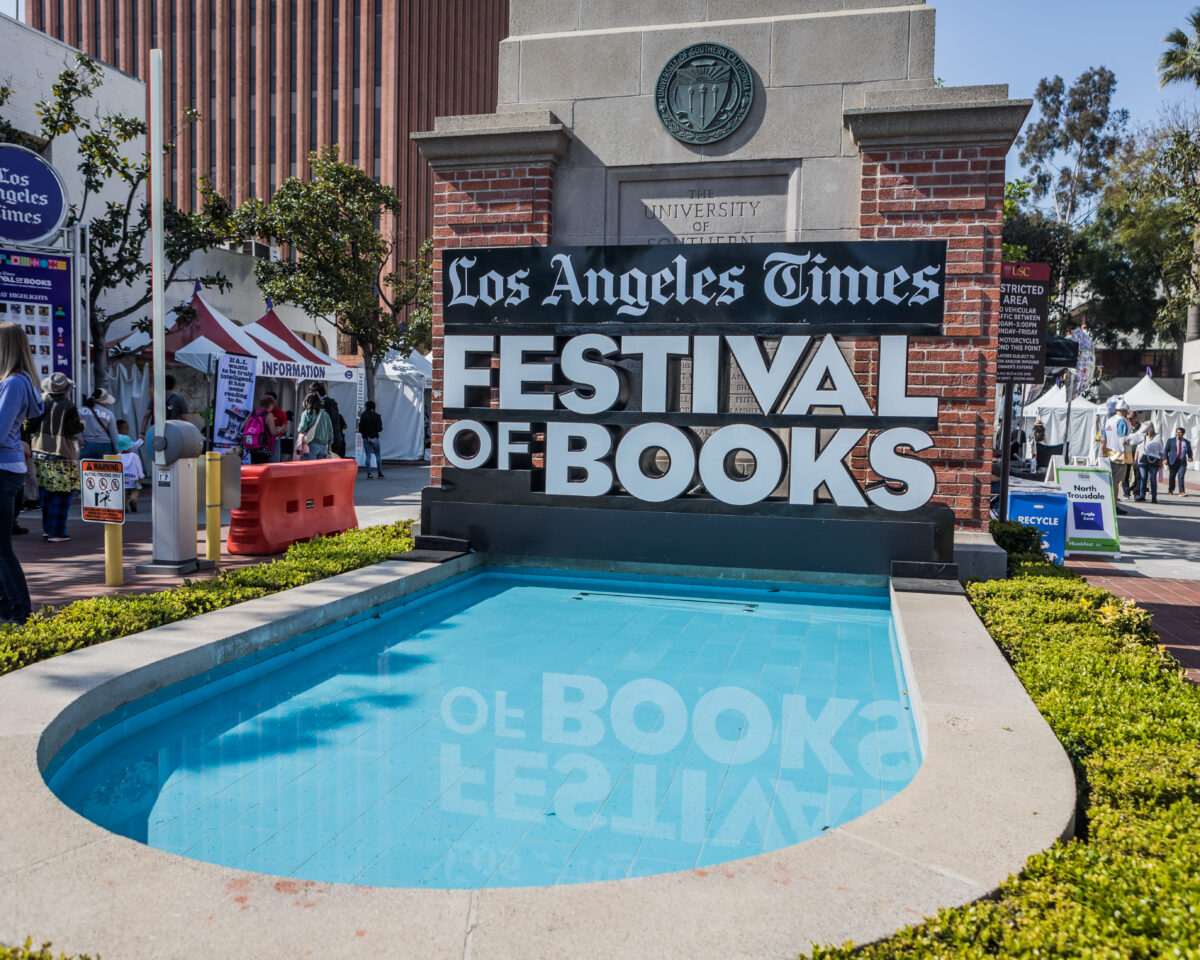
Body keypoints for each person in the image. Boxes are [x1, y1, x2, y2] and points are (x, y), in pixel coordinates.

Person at [0, 323, 42, 622]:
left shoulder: (13, 383)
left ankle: (19, 613)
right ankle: (9, 609)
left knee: (2, 549)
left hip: (2, 468)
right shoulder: (19, 381)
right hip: (7, 467)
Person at [30, 372, 83, 542]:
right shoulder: (69, 406)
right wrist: (82, 424)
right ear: (66, 388)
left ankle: (47, 529)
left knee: (46, 493)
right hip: (62, 454)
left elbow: (27, 423)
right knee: (62, 493)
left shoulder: (40, 402)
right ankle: (57, 532)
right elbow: (74, 428)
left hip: (39, 452)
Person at [1103, 399, 1132, 516]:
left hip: (1109, 452)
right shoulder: (1122, 421)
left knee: (1110, 481)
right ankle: (1114, 505)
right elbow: (1123, 438)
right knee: (1115, 482)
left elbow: (1104, 438)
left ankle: (1109, 504)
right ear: (1125, 411)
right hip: (1120, 454)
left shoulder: (1109, 420)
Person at [78, 386, 120, 459]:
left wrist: (80, 439)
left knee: (86, 469)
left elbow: (76, 428)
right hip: (105, 447)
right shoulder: (109, 414)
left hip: (86, 445)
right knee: (105, 469)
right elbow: (114, 436)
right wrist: (119, 453)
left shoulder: (80, 411)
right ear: (104, 401)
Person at [241, 395, 283, 464]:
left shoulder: (253, 413)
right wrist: (280, 429)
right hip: (263, 447)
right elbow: (272, 432)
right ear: (271, 405)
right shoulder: (269, 415)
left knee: (254, 465)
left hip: (252, 446)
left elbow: (243, 427)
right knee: (262, 467)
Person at [296, 391, 333, 460]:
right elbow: (330, 431)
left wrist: (299, 429)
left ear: (307, 402)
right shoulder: (325, 414)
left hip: (311, 445)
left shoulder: (306, 413)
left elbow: (302, 428)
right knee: (321, 469)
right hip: (324, 446)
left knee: (310, 469)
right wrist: (330, 445)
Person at [313, 382, 346, 457]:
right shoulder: (332, 402)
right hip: (337, 437)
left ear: (316, 393)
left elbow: (326, 424)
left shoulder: (323, 404)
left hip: (328, 440)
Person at [1135, 426, 1164, 504]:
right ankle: (1142, 495)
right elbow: (1137, 449)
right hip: (1143, 460)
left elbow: (1161, 450)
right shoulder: (1142, 437)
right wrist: (1135, 460)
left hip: (1154, 461)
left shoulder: (1158, 437)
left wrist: (1161, 461)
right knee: (1143, 477)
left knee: (1152, 478)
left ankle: (1154, 497)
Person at [116, 434, 145, 512]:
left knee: (123, 492)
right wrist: (140, 476)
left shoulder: (117, 456)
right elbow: (139, 467)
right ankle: (133, 500)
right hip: (134, 478)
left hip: (122, 478)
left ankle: (125, 507)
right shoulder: (134, 456)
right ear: (130, 446)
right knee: (135, 490)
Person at [358, 400, 385, 478]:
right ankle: (380, 473)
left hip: (366, 438)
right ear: (374, 407)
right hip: (375, 437)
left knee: (368, 455)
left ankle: (369, 474)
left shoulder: (363, 415)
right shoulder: (377, 416)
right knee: (378, 455)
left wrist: (366, 435)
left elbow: (360, 428)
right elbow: (380, 429)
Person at [1167, 427, 1193, 496]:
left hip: (1182, 462)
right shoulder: (1170, 441)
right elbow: (1166, 450)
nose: (1178, 434)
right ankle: (1171, 489)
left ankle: (1181, 491)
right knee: (1172, 476)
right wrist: (1165, 459)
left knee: (1181, 476)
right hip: (1172, 461)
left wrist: (1190, 457)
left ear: (1183, 434)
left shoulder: (1187, 442)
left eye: (1180, 432)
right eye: (1177, 432)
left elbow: (1189, 451)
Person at [264, 391, 288, 462]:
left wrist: (278, 429)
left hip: (275, 441)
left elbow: (285, 429)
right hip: (262, 441)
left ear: (274, 401)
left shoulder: (280, 413)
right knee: (260, 463)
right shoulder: (259, 412)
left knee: (274, 463)